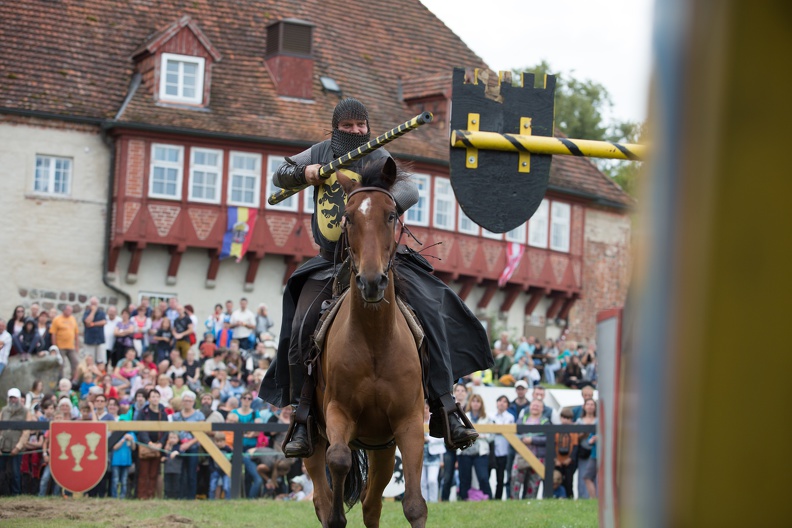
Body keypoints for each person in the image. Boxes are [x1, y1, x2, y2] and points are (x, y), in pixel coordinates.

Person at [259, 98, 493, 458]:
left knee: (431, 309)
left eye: (361, 125)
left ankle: (445, 406)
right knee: (301, 326)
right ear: (336, 128)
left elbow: (409, 189)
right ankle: (303, 417)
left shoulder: (378, 157)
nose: (356, 131)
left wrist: (381, 199)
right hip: (329, 263)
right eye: (348, 126)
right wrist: (306, 174)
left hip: (382, 260)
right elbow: (280, 174)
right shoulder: (319, 153)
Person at [457, 394, 493, 501]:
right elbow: (459, 433)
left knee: (483, 477)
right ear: (470, 403)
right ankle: (463, 499)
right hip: (465, 452)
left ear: (481, 404)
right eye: (473, 401)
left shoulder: (487, 418)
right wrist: (477, 435)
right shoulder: (464, 416)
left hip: (481, 452)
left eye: (478, 401)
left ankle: (488, 498)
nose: (475, 404)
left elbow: (492, 437)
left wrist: (478, 436)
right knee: (464, 478)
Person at [511, 399, 548, 500]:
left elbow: (548, 438)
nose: (535, 407)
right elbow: (514, 434)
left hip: (538, 456)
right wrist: (522, 439)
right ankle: (514, 501)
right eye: (533, 405)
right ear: (529, 407)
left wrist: (532, 440)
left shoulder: (545, 422)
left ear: (542, 408)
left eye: (538, 406)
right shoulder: (522, 419)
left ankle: (530, 501)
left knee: (534, 482)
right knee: (516, 479)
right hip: (521, 455)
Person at [134, 389, 168, 499]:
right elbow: (141, 429)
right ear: (148, 399)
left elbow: (166, 430)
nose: (155, 399)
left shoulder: (163, 414)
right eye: (152, 396)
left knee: (154, 473)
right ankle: (142, 496)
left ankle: (151, 495)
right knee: (143, 473)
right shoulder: (143, 412)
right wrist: (148, 442)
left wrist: (161, 444)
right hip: (145, 446)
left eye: (157, 396)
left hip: (158, 446)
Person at [171, 390, 205, 499]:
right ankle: (180, 496)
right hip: (179, 446)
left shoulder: (199, 415)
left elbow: (201, 433)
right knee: (180, 473)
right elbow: (174, 431)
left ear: (193, 402)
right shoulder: (176, 416)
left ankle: (191, 496)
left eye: (189, 401)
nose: (187, 403)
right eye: (185, 400)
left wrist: (189, 444)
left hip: (193, 447)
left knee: (192, 473)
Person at [0, 388, 34, 496]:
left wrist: (18, 447)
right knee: (1, 471)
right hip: (3, 446)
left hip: (16, 446)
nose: (12, 400)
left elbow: (26, 432)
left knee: (15, 473)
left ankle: (16, 494)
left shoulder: (25, 412)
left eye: (14, 397)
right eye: (11, 397)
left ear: (19, 398)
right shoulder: (4, 411)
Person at [441, 383, 469, 501]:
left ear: (466, 393)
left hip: (464, 446)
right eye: (458, 390)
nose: (460, 393)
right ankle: (444, 498)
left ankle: (463, 498)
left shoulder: (470, 407)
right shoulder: (449, 407)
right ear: (454, 392)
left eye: (463, 390)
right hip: (450, 445)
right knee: (447, 476)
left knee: (464, 476)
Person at [491, 394, 515, 500]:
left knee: (500, 478)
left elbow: (502, 430)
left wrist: (495, 427)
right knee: (486, 475)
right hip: (491, 451)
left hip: (504, 452)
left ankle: (498, 498)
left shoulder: (510, 417)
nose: (501, 403)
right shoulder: (490, 415)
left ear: (508, 405)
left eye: (505, 401)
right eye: (500, 400)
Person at [421, 402, 445, 503]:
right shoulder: (417, 421)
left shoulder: (435, 421)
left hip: (434, 455)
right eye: (423, 408)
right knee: (422, 481)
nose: (425, 410)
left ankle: (433, 501)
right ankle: (424, 501)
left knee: (432, 480)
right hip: (420, 456)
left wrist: (428, 439)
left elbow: (442, 437)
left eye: (426, 408)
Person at [50, 305, 80, 384]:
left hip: (71, 346)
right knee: (61, 364)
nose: (70, 312)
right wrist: (54, 346)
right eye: (68, 310)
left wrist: (77, 346)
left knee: (75, 362)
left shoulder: (73, 319)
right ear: (64, 310)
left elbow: (76, 333)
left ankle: (73, 380)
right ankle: (60, 381)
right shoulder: (57, 319)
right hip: (60, 346)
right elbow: (53, 333)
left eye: (71, 310)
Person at [576, 397, 598, 499]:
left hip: (596, 452)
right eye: (588, 404)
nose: (590, 407)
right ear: (584, 407)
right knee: (584, 476)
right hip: (583, 451)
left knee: (594, 477)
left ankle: (595, 498)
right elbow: (575, 437)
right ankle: (585, 497)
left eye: (592, 404)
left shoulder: (599, 421)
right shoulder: (579, 421)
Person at [555, 408, 579, 499]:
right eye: (564, 418)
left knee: (569, 481)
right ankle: (558, 497)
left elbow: (575, 446)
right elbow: (553, 444)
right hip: (558, 460)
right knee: (557, 480)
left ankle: (570, 497)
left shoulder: (573, 430)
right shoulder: (556, 430)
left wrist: (570, 459)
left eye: (568, 418)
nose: (565, 420)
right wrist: (555, 459)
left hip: (569, 461)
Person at [82, 297, 107, 367]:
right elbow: (87, 321)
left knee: (101, 361)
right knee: (89, 360)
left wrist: (93, 324)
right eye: (92, 304)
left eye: (95, 304)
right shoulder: (87, 313)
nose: (94, 305)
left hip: (99, 340)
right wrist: (93, 312)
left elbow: (104, 322)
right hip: (90, 340)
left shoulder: (101, 313)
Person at [209, 432, 232, 499]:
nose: (218, 443)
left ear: (224, 441)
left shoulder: (228, 449)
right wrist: (212, 469)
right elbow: (210, 460)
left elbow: (231, 459)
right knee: (212, 486)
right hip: (215, 470)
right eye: (217, 441)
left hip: (226, 471)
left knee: (226, 487)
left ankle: (228, 500)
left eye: (220, 441)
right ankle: (211, 500)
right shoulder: (213, 450)